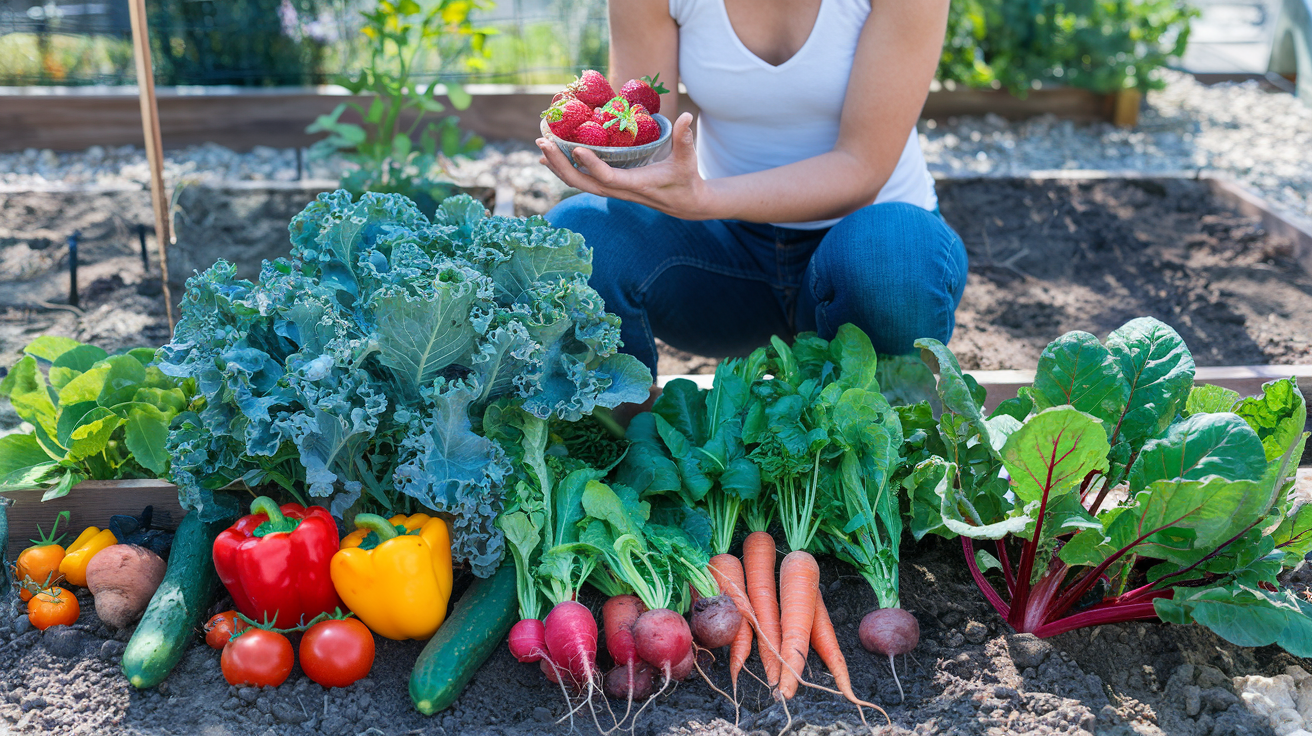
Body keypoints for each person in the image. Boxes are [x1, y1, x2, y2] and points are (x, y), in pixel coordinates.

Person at [538, 0, 967, 376]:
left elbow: (862, 167)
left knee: (891, 262)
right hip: (727, 255)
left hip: (871, 250)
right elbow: (642, 132)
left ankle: (882, 434)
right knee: (577, 235)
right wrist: (608, 168)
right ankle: (625, 445)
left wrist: (703, 198)